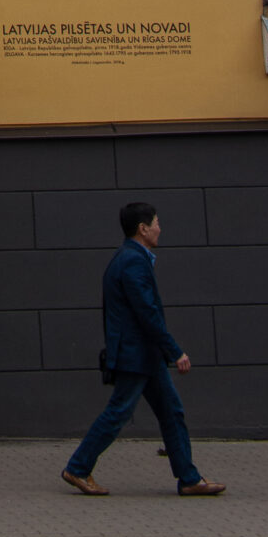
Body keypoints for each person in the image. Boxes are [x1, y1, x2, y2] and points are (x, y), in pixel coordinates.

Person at [62, 201, 223, 497]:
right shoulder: (133, 261)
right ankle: (78, 467)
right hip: (136, 356)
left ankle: (189, 478)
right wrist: (175, 350)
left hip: (145, 356)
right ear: (143, 229)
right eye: (157, 223)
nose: (161, 229)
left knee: (172, 412)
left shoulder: (131, 258)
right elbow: (146, 313)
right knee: (119, 412)